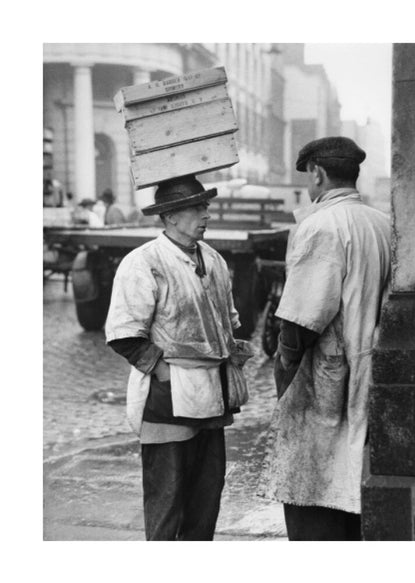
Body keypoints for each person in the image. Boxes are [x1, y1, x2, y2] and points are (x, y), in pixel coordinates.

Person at [257, 137, 391, 541]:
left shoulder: (320, 225)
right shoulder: (381, 221)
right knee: (353, 487)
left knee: (314, 490)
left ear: (316, 172)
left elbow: (301, 318)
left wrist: (284, 375)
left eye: (308, 176)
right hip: (371, 367)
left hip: (328, 378)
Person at [105, 175, 252, 541]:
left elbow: (227, 319)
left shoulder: (214, 260)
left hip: (212, 397)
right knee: (168, 499)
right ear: (170, 216)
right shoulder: (144, 263)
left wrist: (233, 346)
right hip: (166, 400)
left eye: (206, 206)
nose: (207, 215)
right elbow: (124, 334)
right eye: (197, 208)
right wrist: (164, 372)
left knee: (205, 499)